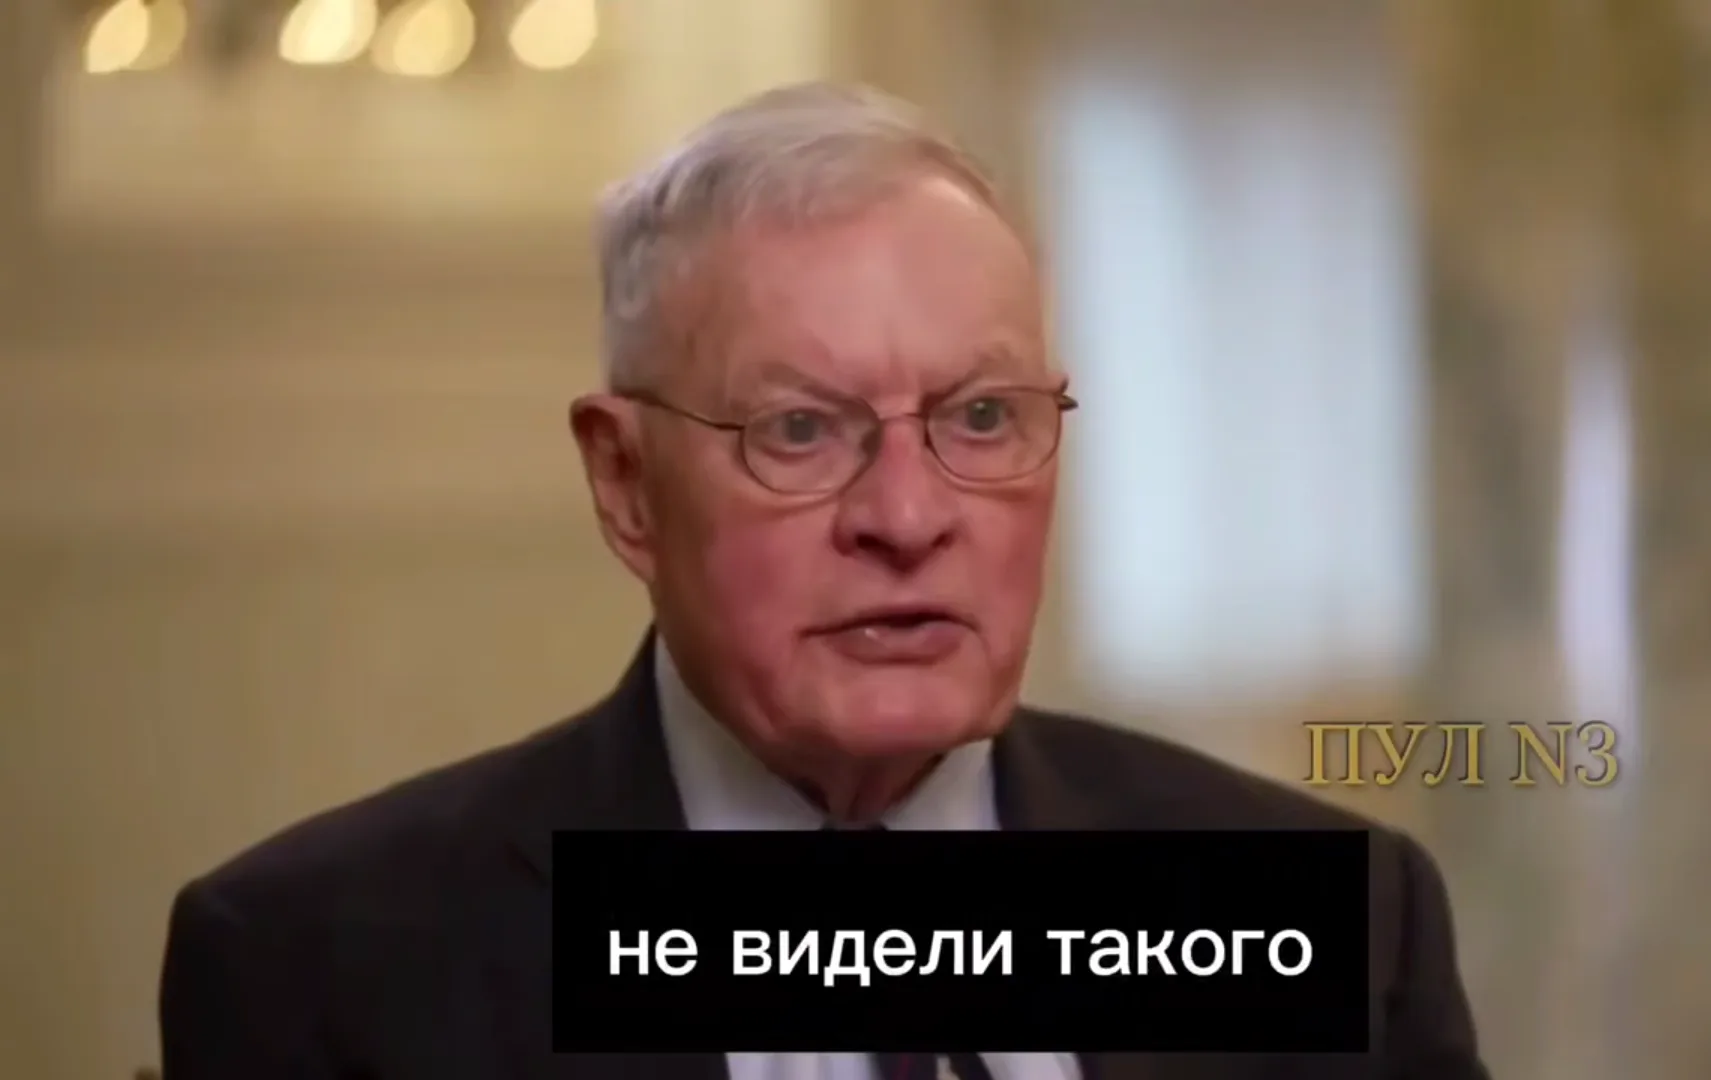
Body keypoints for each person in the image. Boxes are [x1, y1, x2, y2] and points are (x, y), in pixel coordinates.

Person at [158, 82, 1491, 1080]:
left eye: (982, 418)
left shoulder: (1338, 921)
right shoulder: (323, 971)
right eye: (799, 430)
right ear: (627, 485)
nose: (907, 518)